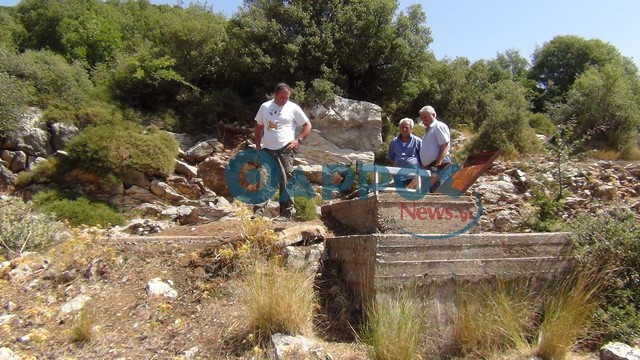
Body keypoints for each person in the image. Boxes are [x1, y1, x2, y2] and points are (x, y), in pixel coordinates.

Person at [253, 82, 312, 219]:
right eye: (281, 97)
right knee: (262, 179)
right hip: (267, 148)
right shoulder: (265, 107)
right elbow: (259, 127)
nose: (284, 100)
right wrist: (258, 147)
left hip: (285, 149)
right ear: (275, 95)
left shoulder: (293, 108)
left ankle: (285, 214)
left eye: (287, 97)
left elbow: (307, 125)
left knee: (285, 180)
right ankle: (258, 212)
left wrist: (299, 140)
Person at [418, 105, 451, 192]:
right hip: (431, 167)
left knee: (438, 191)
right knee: (432, 192)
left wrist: (437, 165)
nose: (423, 120)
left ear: (433, 115)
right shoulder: (429, 130)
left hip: (439, 165)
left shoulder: (438, 126)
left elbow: (444, 145)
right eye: (422, 118)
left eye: (425, 117)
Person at [386, 118, 422, 187]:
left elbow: (422, 158)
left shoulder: (417, 141)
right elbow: (391, 157)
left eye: (407, 128)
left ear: (411, 129)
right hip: (398, 174)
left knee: (411, 195)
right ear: (399, 128)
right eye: (402, 127)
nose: (404, 129)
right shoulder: (394, 142)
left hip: (413, 175)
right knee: (398, 196)